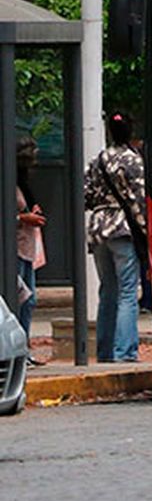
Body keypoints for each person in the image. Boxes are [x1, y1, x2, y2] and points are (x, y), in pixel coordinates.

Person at [84, 111, 147, 363]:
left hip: (99, 228)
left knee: (107, 291)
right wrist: (146, 233)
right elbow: (138, 201)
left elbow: (86, 195)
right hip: (123, 229)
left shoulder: (98, 160)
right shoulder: (133, 160)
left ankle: (105, 352)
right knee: (128, 292)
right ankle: (126, 352)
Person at [14, 135, 46, 366]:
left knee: (29, 299)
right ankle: (17, 349)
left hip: (26, 246)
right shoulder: (8, 180)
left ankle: (23, 348)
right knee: (19, 298)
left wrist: (31, 212)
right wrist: (23, 217)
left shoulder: (22, 182)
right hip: (13, 247)